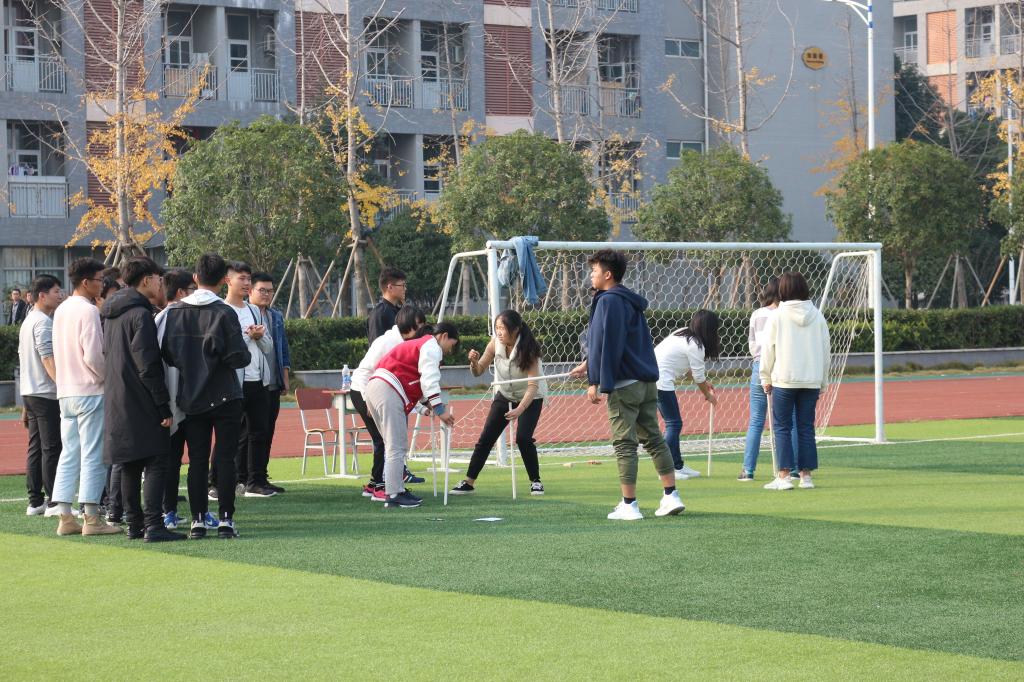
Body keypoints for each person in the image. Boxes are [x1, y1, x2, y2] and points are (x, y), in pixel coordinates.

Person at [569, 250, 684, 521]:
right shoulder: (629, 300)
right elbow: (617, 341)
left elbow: (607, 344)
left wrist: (595, 381)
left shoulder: (607, 301)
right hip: (646, 382)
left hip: (625, 386)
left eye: (595, 271)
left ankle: (629, 504)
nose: (591, 275)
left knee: (624, 444)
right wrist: (588, 364)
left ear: (608, 274)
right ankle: (671, 495)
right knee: (654, 439)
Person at [161, 253, 251, 539]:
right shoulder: (225, 312)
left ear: (195, 278)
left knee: (197, 460)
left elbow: (168, 354)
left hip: (191, 394)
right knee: (225, 459)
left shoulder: (176, 312)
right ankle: (225, 519)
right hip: (225, 393)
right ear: (224, 279)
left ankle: (197, 520)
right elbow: (239, 357)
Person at [100, 257, 184, 542]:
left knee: (130, 463)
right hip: (141, 397)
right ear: (146, 279)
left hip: (117, 396)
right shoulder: (140, 314)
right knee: (157, 459)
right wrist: (162, 404)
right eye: (159, 279)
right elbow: (147, 364)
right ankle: (154, 525)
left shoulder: (111, 313)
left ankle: (135, 526)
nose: (161, 284)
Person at [50, 257, 120, 536]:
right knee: (93, 454)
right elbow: (93, 355)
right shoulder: (88, 310)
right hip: (90, 390)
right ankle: (91, 518)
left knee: (69, 453)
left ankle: (65, 517)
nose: (102, 284)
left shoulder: (61, 309)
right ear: (86, 282)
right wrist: (107, 378)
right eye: (99, 280)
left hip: (66, 391)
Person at [364, 322, 460, 509]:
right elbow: (429, 380)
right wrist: (440, 410)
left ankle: (395, 490)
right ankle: (394, 494)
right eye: (452, 344)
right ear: (444, 336)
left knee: (392, 445)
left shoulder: (420, 344)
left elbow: (416, 383)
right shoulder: (432, 346)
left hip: (377, 386)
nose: (450, 350)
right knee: (396, 446)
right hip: (387, 388)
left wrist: (427, 405)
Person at [451, 310, 547, 496]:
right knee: (486, 438)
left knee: (523, 438)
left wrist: (520, 409)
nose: (499, 332)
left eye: (503, 328)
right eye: (497, 328)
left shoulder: (530, 349)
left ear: (516, 329)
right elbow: (478, 371)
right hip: (505, 394)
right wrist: (473, 362)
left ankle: (536, 481)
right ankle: (469, 482)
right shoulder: (495, 343)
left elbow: (533, 386)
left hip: (530, 396)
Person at [760, 272, 831, 491]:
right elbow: (826, 352)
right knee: (806, 427)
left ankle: (783, 476)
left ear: (783, 290)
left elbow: (767, 350)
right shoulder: (817, 316)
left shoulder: (777, 316)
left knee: (782, 427)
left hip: (784, 380)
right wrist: (823, 381)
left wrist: (765, 376)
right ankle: (806, 476)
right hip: (811, 380)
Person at [351, 305, 428, 502]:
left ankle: (378, 484)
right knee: (384, 439)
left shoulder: (406, 343)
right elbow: (367, 372)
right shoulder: (387, 342)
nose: (422, 330)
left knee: (388, 440)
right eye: (420, 325)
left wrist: (421, 406)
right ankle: (380, 485)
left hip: (374, 391)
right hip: (363, 390)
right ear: (410, 325)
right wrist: (369, 401)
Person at [221, 261, 276, 498]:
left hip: (257, 380)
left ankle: (256, 482)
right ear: (228, 280)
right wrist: (248, 337)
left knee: (259, 433)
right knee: (230, 435)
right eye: (241, 278)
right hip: (233, 382)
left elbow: (268, 346)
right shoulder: (222, 310)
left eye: (248, 279)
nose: (246, 283)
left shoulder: (253, 310)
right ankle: (219, 483)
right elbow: (224, 348)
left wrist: (259, 337)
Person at [740, 279, 796, 482]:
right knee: (790, 419)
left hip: (759, 365)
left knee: (756, 419)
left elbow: (752, 343)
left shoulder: (757, 314)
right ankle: (793, 468)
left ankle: (748, 470)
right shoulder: (787, 313)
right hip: (782, 366)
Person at [654, 309, 720, 481]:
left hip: (654, 377)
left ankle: (677, 465)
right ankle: (667, 469)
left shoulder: (682, 333)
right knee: (673, 423)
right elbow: (698, 377)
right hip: (660, 381)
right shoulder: (696, 345)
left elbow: (692, 371)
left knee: (674, 423)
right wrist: (708, 395)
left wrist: (705, 383)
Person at [155, 268, 197, 529]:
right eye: (192, 290)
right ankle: (191, 513)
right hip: (185, 399)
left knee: (171, 458)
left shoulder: (158, 318)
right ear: (181, 292)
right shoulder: (181, 317)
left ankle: (169, 510)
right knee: (190, 458)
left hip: (169, 400)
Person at [19, 275, 64, 516]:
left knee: (36, 448)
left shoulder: (28, 320)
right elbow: (47, 358)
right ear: (42, 295)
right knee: (51, 448)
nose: (60, 295)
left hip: (31, 392)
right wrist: (63, 385)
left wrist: (24, 404)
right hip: (45, 393)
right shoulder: (43, 322)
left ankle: (35, 501)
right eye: (56, 291)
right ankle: (54, 502)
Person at [248, 272, 290, 494]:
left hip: (273, 382)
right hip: (252, 382)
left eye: (270, 291)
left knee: (267, 432)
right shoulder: (245, 314)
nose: (266, 294)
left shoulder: (275, 316)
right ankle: (245, 478)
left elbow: (283, 349)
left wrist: (285, 377)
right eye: (262, 290)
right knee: (249, 433)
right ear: (250, 291)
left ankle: (261, 477)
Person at [367, 267, 407, 343]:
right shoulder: (379, 314)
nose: (405, 289)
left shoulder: (398, 311)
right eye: (402, 285)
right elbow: (376, 345)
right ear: (390, 287)